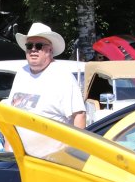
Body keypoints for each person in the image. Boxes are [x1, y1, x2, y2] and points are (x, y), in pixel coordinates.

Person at [6, 22, 86, 156]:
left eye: (39, 46)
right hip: (21, 158)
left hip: (52, 160)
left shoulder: (61, 75)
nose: (33, 50)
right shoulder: (21, 73)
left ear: (50, 50)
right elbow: (10, 115)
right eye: (29, 46)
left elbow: (79, 116)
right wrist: (8, 148)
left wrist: (72, 154)